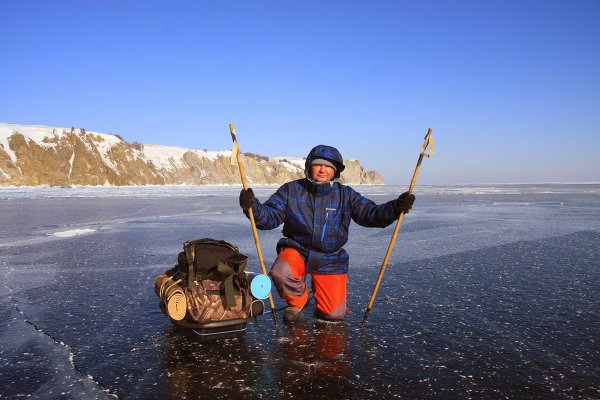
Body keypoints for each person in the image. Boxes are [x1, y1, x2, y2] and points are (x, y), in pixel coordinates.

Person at [239, 145, 415, 322]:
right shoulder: (291, 190)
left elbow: (371, 214)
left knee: (333, 314)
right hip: (297, 251)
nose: (323, 169)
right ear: (309, 167)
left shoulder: (346, 195)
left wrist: (395, 207)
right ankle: (297, 300)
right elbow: (269, 217)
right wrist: (252, 206)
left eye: (329, 166)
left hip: (330, 258)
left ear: (336, 170)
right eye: (318, 165)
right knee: (280, 272)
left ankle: (325, 296)